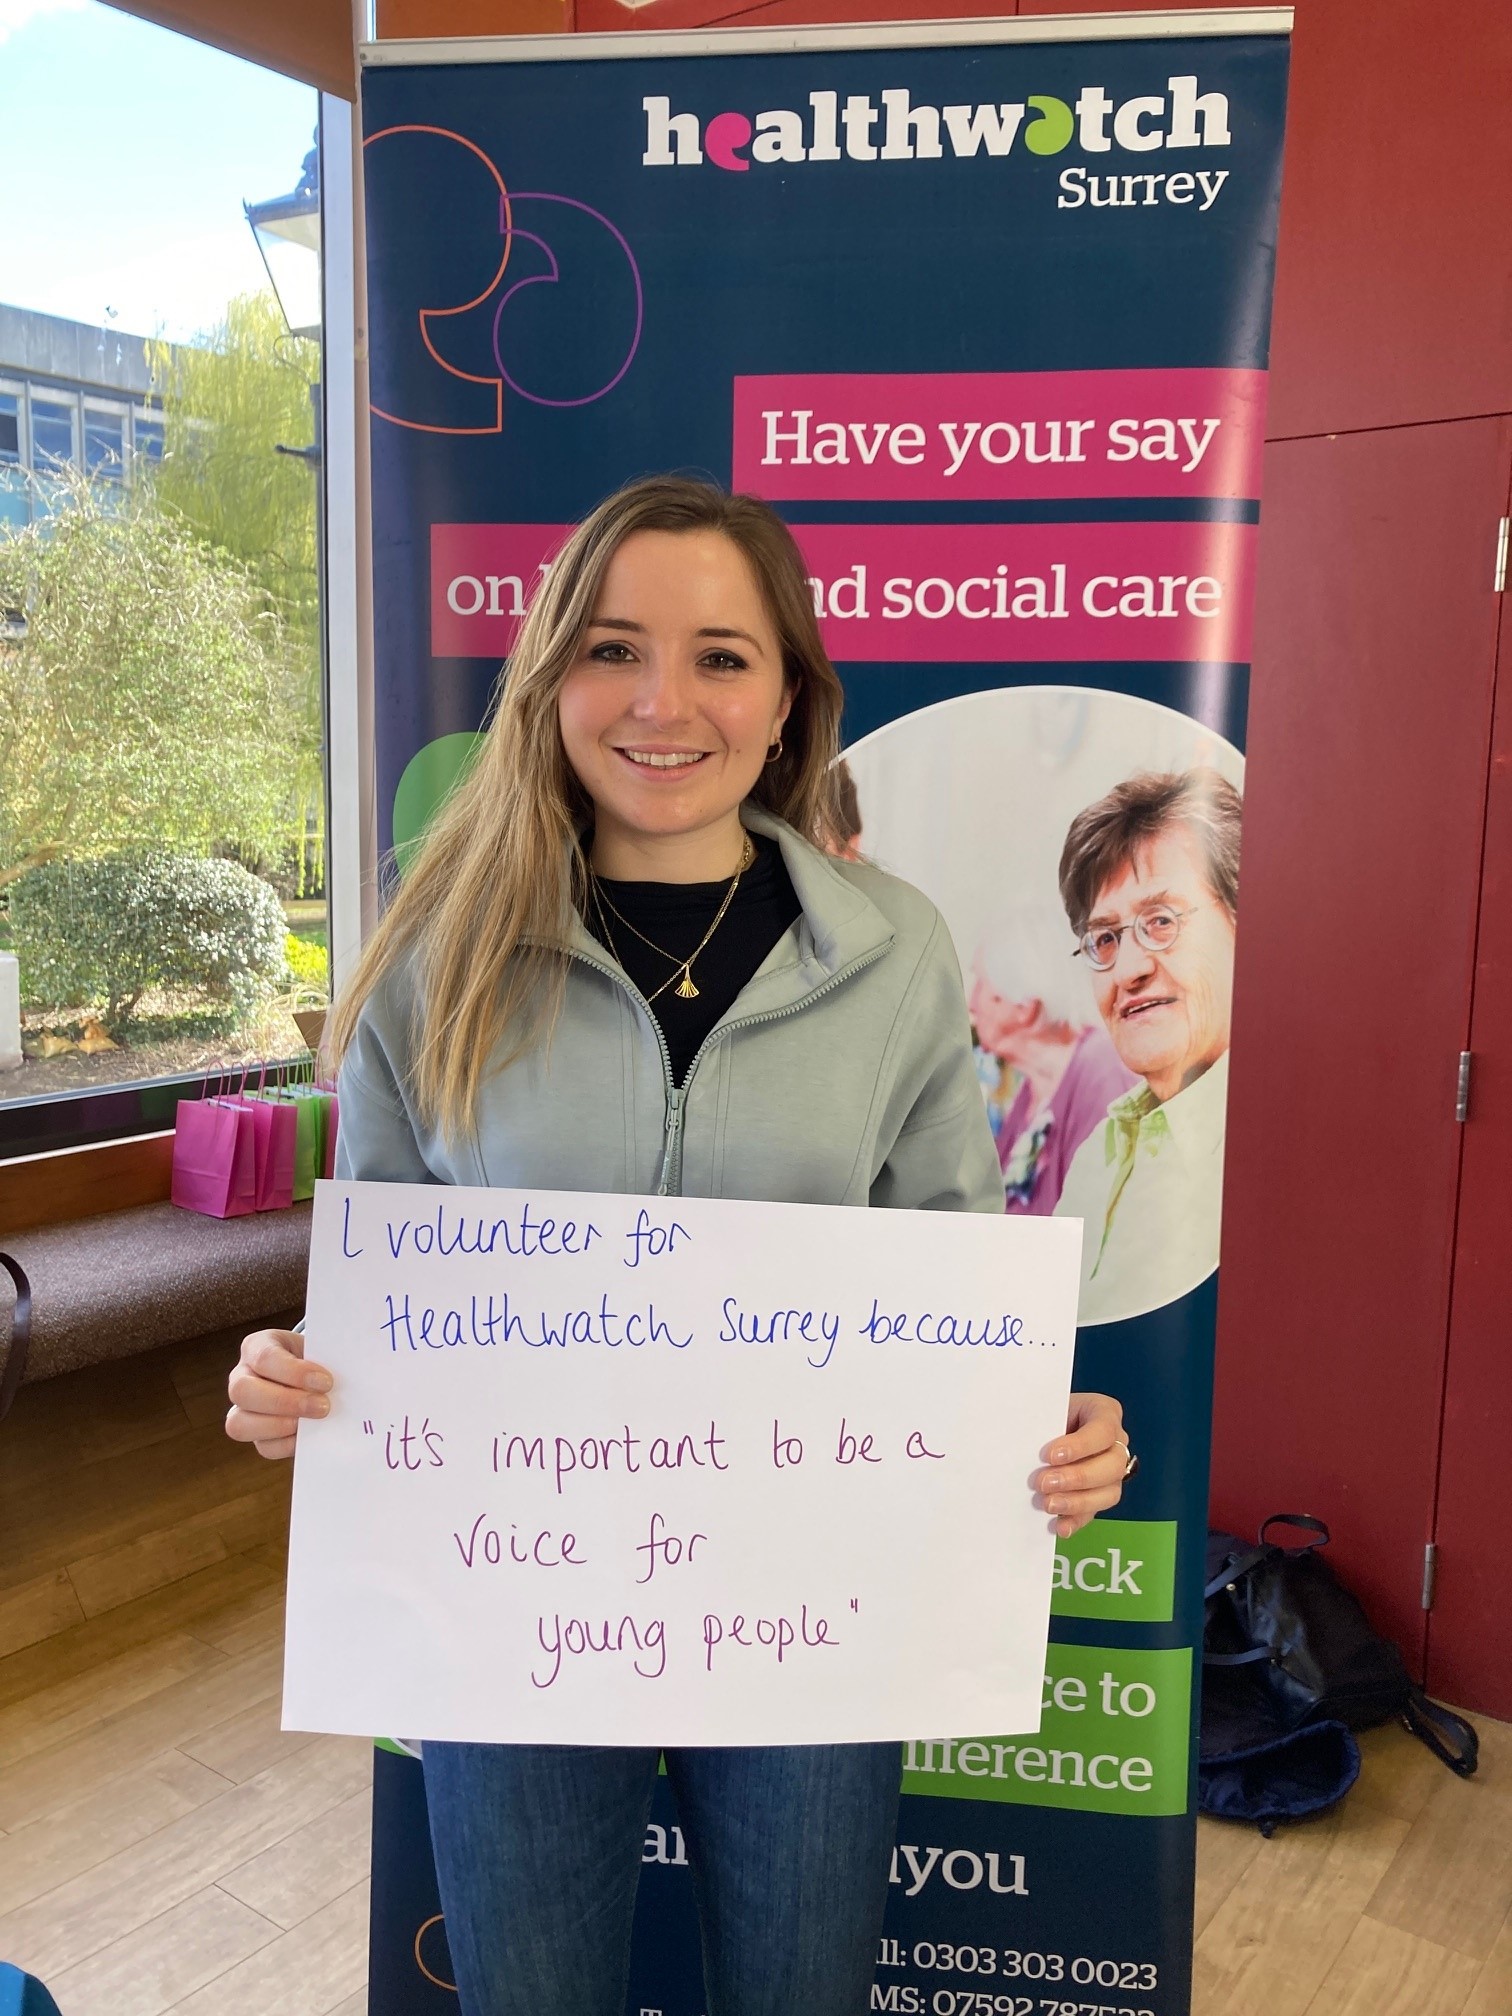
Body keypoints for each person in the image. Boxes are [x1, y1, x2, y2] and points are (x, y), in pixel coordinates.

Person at [224, 477, 1133, 2016]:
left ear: (787, 699)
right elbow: (377, 1283)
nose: (664, 701)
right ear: (549, 679)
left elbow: (949, 1262)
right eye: (612, 649)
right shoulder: (434, 943)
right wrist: (294, 1383)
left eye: (721, 655)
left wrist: (1034, 1423)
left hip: (817, 1602)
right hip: (511, 1608)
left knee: (801, 1991)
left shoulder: (894, 944)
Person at [1053, 767, 1242, 1324]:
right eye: (1105, 938)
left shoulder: (1285, 1149)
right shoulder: (1097, 1153)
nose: (1131, 969)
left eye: (1161, 921)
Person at [969, 906, 1137, 1214]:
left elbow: (1094, 1222)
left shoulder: (1101, 1075)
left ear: (1024, 1008)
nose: (971, 1004)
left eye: (981, 984)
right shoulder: (1032, 1090)